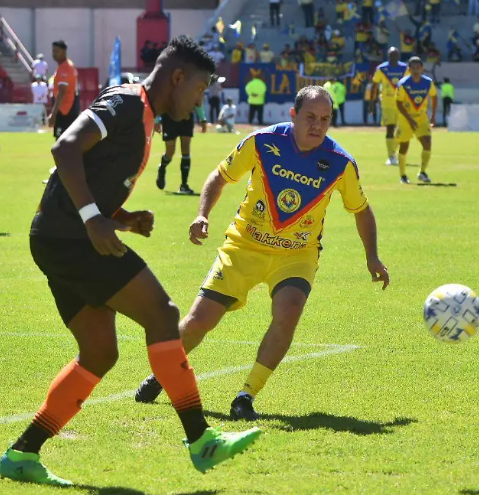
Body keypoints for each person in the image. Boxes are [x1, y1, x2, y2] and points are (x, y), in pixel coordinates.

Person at [0, 36, 261, 487]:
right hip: (70, 239)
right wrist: (94, 219)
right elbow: (64, 149)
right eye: (199, 90)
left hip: (59, 237)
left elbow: (90, 177)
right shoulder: (125, 103)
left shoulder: (142, 115)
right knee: (164, 314)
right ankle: (202, 441)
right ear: (177, 77)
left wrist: (121, 218)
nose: (200, 102)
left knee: (100, 353)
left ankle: (22, 455)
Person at [133, 86, 390, 419]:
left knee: (289, 311)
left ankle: (246, 396)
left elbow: (361, 209)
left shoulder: (340, 163)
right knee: (199, 321)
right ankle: (163, 374)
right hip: (243, 245)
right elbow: (220, 176)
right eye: (310, 117)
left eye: (325, 119)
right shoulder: (262, 142)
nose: (317, 125)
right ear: (293, 115)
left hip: (296, 254)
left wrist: (372, 256)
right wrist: (202, 214)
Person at [395, 57, 437, 184]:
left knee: (427, 143)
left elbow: (434, 96)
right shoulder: (403, 84)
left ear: (422, 68)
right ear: (409, 69)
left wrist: (433, 115)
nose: (416, 70)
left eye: (418, 67)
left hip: (421, 118)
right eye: (413, 68)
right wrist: (409, 119)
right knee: (404, 146)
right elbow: (399, 103)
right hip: (405, 119)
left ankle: (422, 172)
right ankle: (403, 175)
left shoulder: (428, 82)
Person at [156, 105, 208, 194]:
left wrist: (202, 118)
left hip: (186, 118)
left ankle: (184, 185)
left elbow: (197, 100)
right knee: (170, 152)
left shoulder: (192, 90)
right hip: (169, 117)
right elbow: (162, 98)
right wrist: (156, 120)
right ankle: (162, 167)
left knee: (186, 149)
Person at [370, 47, 408, 166]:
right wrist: (372, 102)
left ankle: (394, 151)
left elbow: (409, 84)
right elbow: (374, 85)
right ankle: (391, 156)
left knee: (401, 130)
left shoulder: (404, 68)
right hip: (387, 103)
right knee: (390, 128)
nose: (393, 57)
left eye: (395, 55)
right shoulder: (381, 69)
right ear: (388, 55)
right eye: (391, 55)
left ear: (398, 56)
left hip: (401, 102)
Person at [48, 40, 79, 141]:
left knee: (61, 144)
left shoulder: (65, 69)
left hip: (65, 111)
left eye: (57, 51)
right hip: (67, 110)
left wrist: (53, 114)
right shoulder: (66, 66)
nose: (54, 54)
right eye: (53, 51)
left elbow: (61, 93)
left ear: (64, 52)